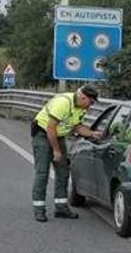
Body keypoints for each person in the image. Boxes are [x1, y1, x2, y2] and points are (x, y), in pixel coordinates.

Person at [30, 85, 102, 222]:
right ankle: (39, 209)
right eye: (90, 102)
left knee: (63, 172)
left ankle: (61, 208)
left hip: (59, 136)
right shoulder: (63, 103)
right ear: (83, 97)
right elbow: (50, 128)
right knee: (42, 173)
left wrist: (92, 133)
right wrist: (56, 151)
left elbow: (77, 127)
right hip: (43, 135)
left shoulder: (81, 108)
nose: (90, 106)